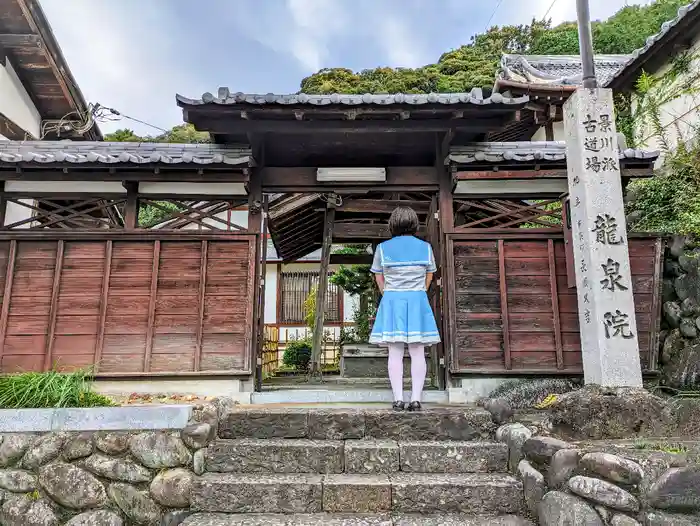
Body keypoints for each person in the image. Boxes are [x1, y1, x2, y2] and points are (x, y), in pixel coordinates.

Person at [369, 206, 440, 411]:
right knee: (418, 352)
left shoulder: (383, 248)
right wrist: (420, 291)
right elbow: (430, 274)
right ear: (414, 224)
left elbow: (378, 275)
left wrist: (387, 292)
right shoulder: (425, 248)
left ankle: (398, 399)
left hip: (392, 301)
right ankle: (416, 399)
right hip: (417, 300)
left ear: (393, 224)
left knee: (395, 352)